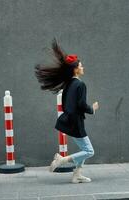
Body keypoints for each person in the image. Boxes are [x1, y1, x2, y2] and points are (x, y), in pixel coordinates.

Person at [34, 39, 99, 183]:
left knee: (83, 149)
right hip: (76, 122)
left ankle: (77, 175)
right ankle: (62, 159)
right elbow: (81, 105)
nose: (83, 67)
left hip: (69, 120)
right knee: (89, 151)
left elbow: (66, 104)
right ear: (75, 69)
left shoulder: (69, 84)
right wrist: (92, 109)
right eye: (81, 66)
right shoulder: (80, 84)